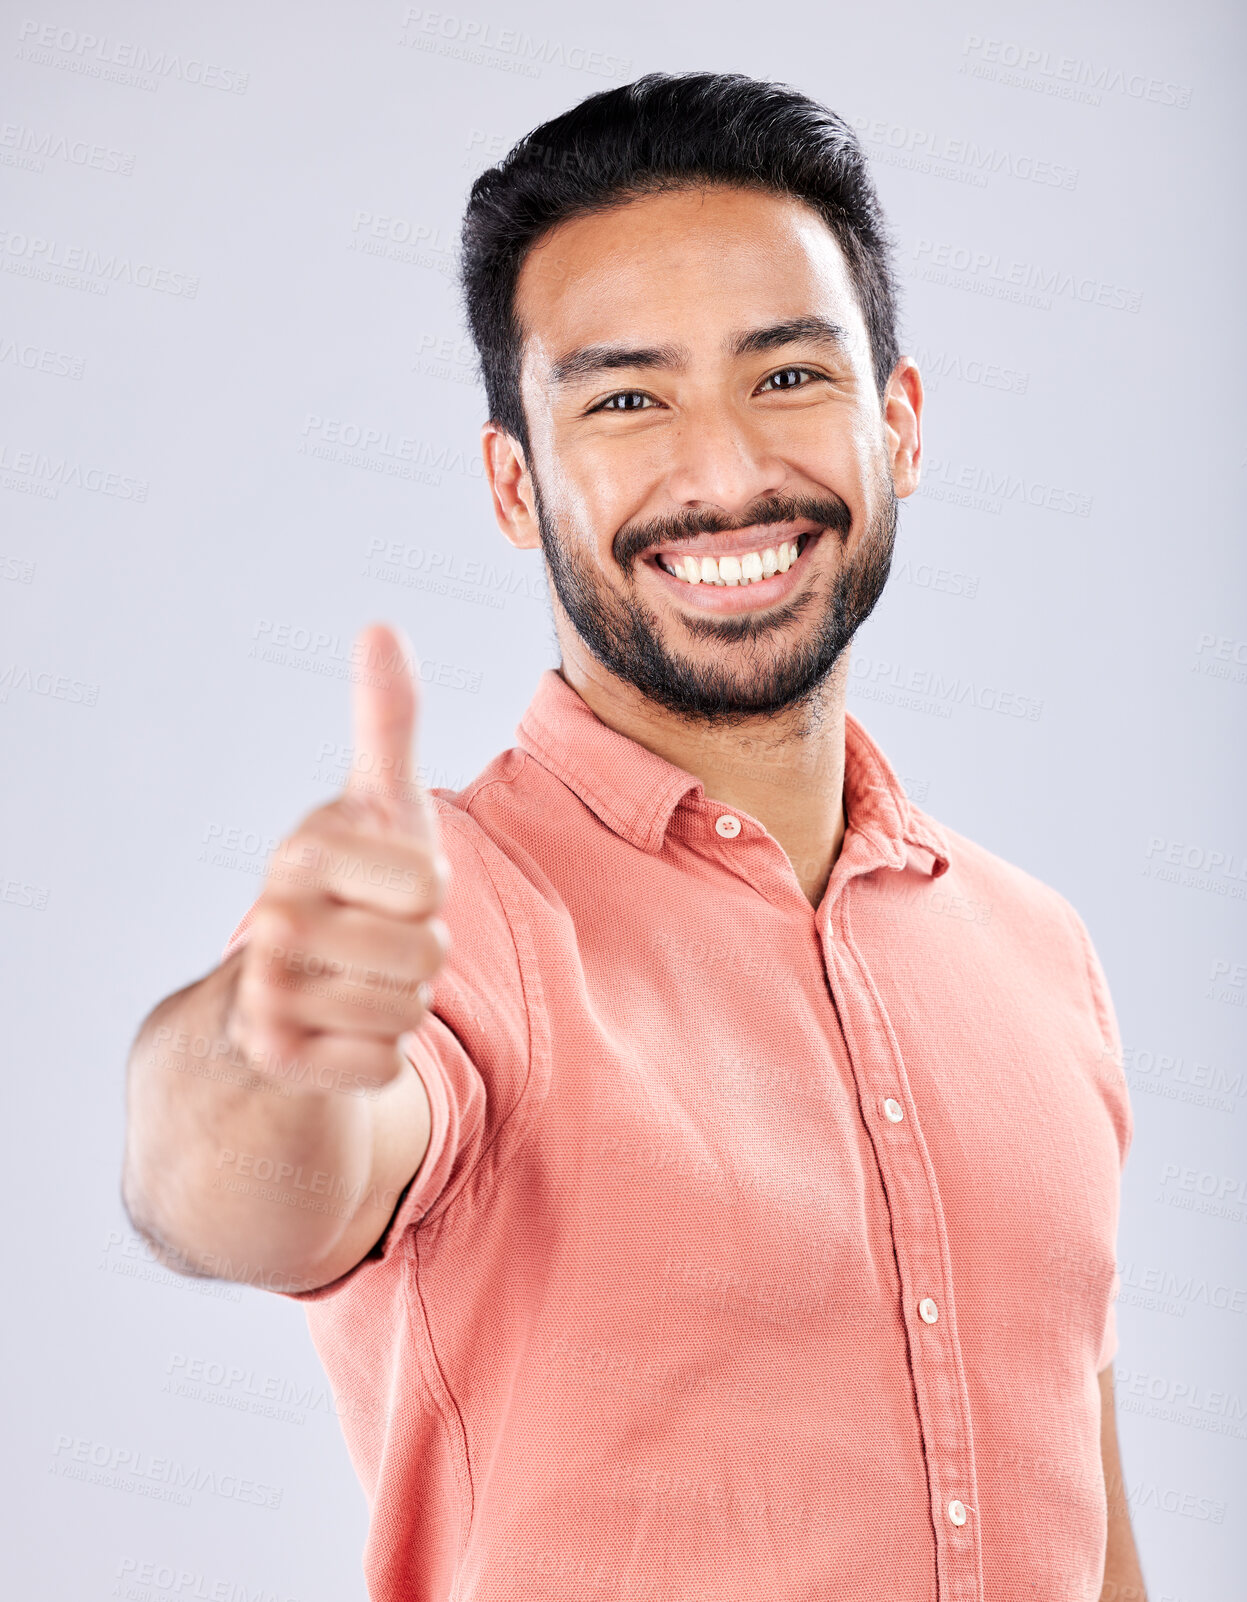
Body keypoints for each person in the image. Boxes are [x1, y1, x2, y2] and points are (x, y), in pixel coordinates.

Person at [123, 72, 1145, 1601]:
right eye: (625, 398)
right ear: (514, 483)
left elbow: (1093, 1529)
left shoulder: (1040, 951)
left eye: (788, 377)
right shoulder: (461, 918)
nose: (726, 472)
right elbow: (229, 1188)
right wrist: (271, 1048)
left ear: (900, 422)